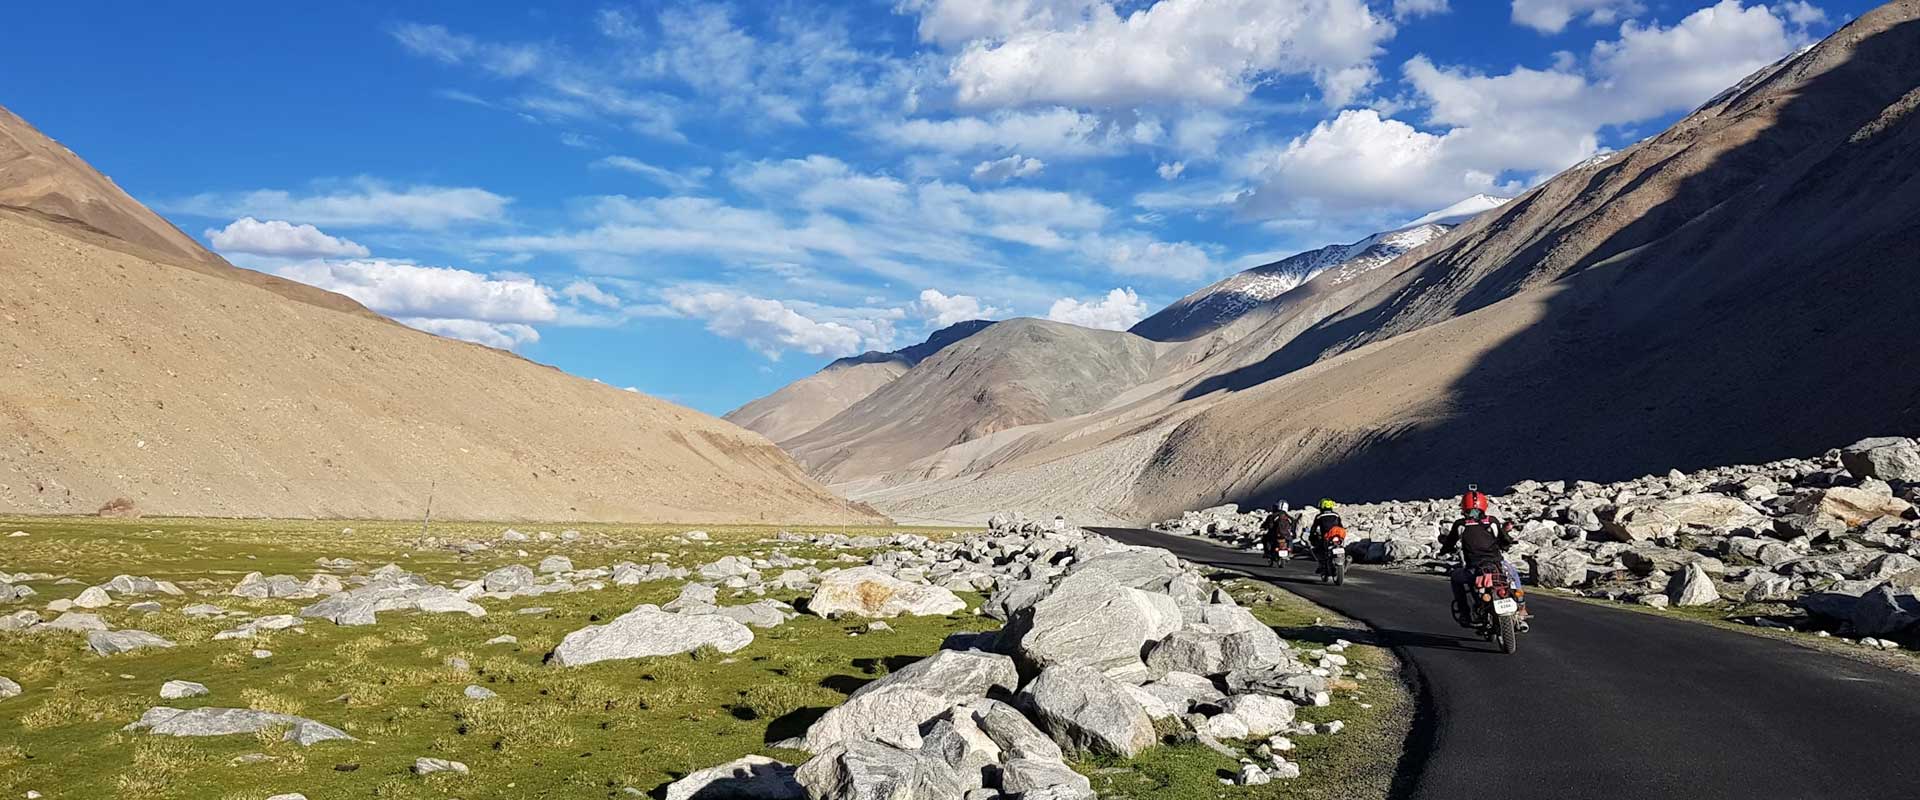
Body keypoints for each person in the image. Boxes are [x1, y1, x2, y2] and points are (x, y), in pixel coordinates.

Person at [1438, 487, 1530, 631]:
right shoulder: (1492, 521)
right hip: (1497, 564)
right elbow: (1504, 539)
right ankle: (1522, 608)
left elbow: (1449, 543)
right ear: (1484, 505)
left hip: (1474, 567)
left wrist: (1442, 551)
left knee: (1456, 578)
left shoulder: (1460, 525)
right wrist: (1507, 541)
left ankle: (1465, 613)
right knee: (1513, 574)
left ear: (1464, 506)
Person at [1310, 498, 1345, 578]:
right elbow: (1341, 526)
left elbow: (1314, 528)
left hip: (1326, 538)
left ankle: (1322, 564)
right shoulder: (1336, 515)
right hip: (1338, 536)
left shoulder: (1319, 516)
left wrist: (1312, 536)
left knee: (1318, 549)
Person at [1260, 502, 1295, 567]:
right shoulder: (1289, 517)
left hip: (1275, 535)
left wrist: (1264, 528)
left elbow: (1269, 526)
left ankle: (1268, 553)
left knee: (1266, 539)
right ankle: (1289, 552)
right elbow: (1293, 526)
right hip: (1286, 536)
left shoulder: (1272, 516)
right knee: (1290, 540)